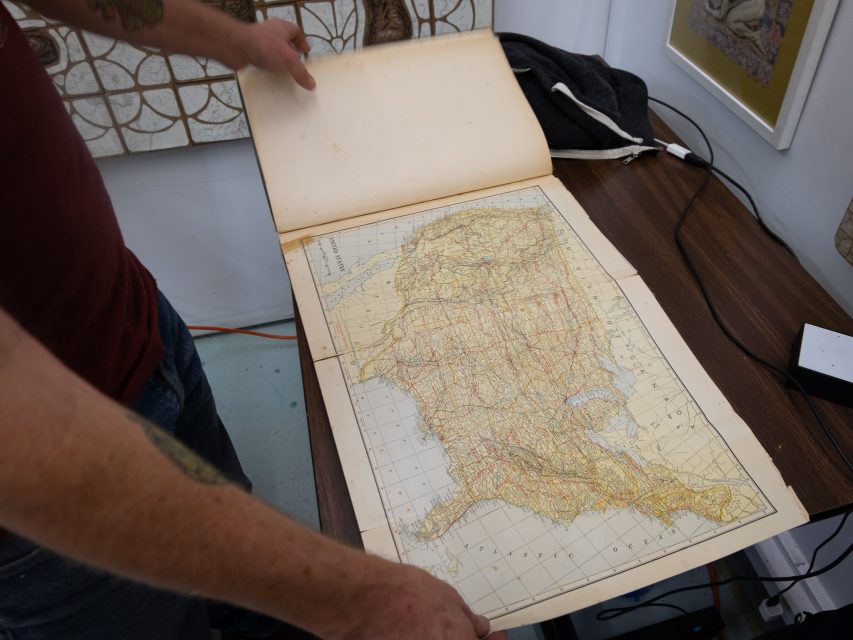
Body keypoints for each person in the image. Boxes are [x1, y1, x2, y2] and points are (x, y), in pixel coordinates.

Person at [0, 1, 507, 638]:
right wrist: (355, 597)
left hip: (133, 323)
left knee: (239, 574)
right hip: (47, 496)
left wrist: (233, 39)